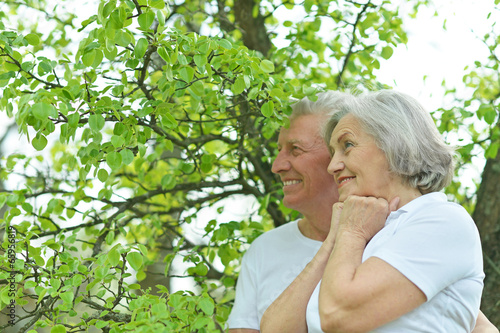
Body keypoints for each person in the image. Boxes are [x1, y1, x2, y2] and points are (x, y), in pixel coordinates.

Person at [227, 91, 498, 333]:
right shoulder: (369, 230)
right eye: (333, 151)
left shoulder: (441, 220)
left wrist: (351, 232)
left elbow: (338, 315)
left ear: (394, 143)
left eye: (347, 145)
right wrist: (337, 236)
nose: (333, 165)